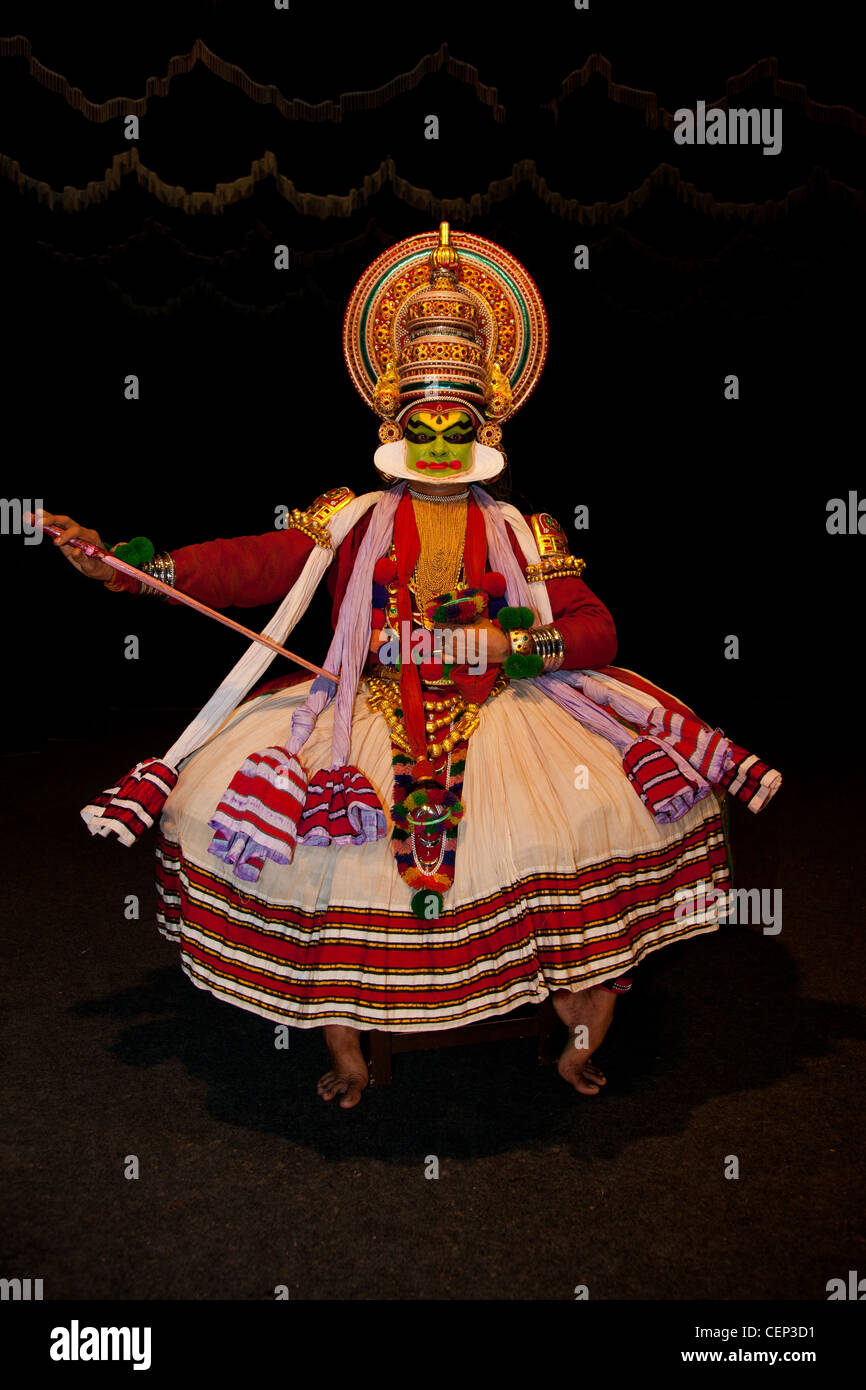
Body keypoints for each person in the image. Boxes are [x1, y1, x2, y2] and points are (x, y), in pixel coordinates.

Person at [40, 223, 778, 1109]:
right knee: (331, 865)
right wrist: (131, 566)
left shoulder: (521, 532)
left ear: (486, 426)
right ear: (392, 426)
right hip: (369, 709)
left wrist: (511, 644)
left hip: (503, 712)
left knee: (558, 844)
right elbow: (247, 566)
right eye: (419, 426)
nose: (435, 444)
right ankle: (351, 1047)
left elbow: (596, 631)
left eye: (453, 426)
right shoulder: (348, 519)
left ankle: (578, 1034)